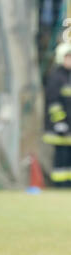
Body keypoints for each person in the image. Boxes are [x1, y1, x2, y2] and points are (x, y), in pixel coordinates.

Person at [43, 42, 71, 187]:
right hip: (59, 129)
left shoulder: (68, 77)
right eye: (68, 57)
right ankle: (60, 186)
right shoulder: (56, 77)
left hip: (69, 129)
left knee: (68, 159)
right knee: (61, 158)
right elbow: (53, 103)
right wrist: (60, 123)